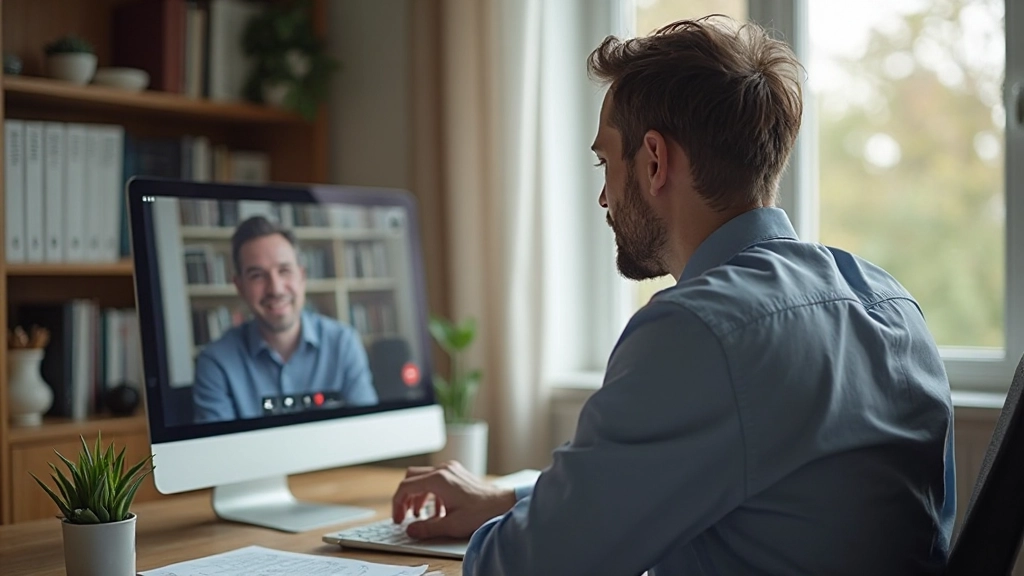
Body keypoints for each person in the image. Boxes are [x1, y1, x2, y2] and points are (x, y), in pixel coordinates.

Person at [390, 16, 955, 576]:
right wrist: (513, 500)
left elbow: (524, 567)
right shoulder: (890, 303)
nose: (603, 197)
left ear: (655, 161)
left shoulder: (701, 331)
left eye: (605, 161)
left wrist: (506, 531)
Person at [192, 216, 379, 424]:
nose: (276, 289)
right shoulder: (215, 363)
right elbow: (219, 453)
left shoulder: (343, 343)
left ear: (302, 277)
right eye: (257, 275)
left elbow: (365, 433)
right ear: (239, 286)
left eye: (284, 271)